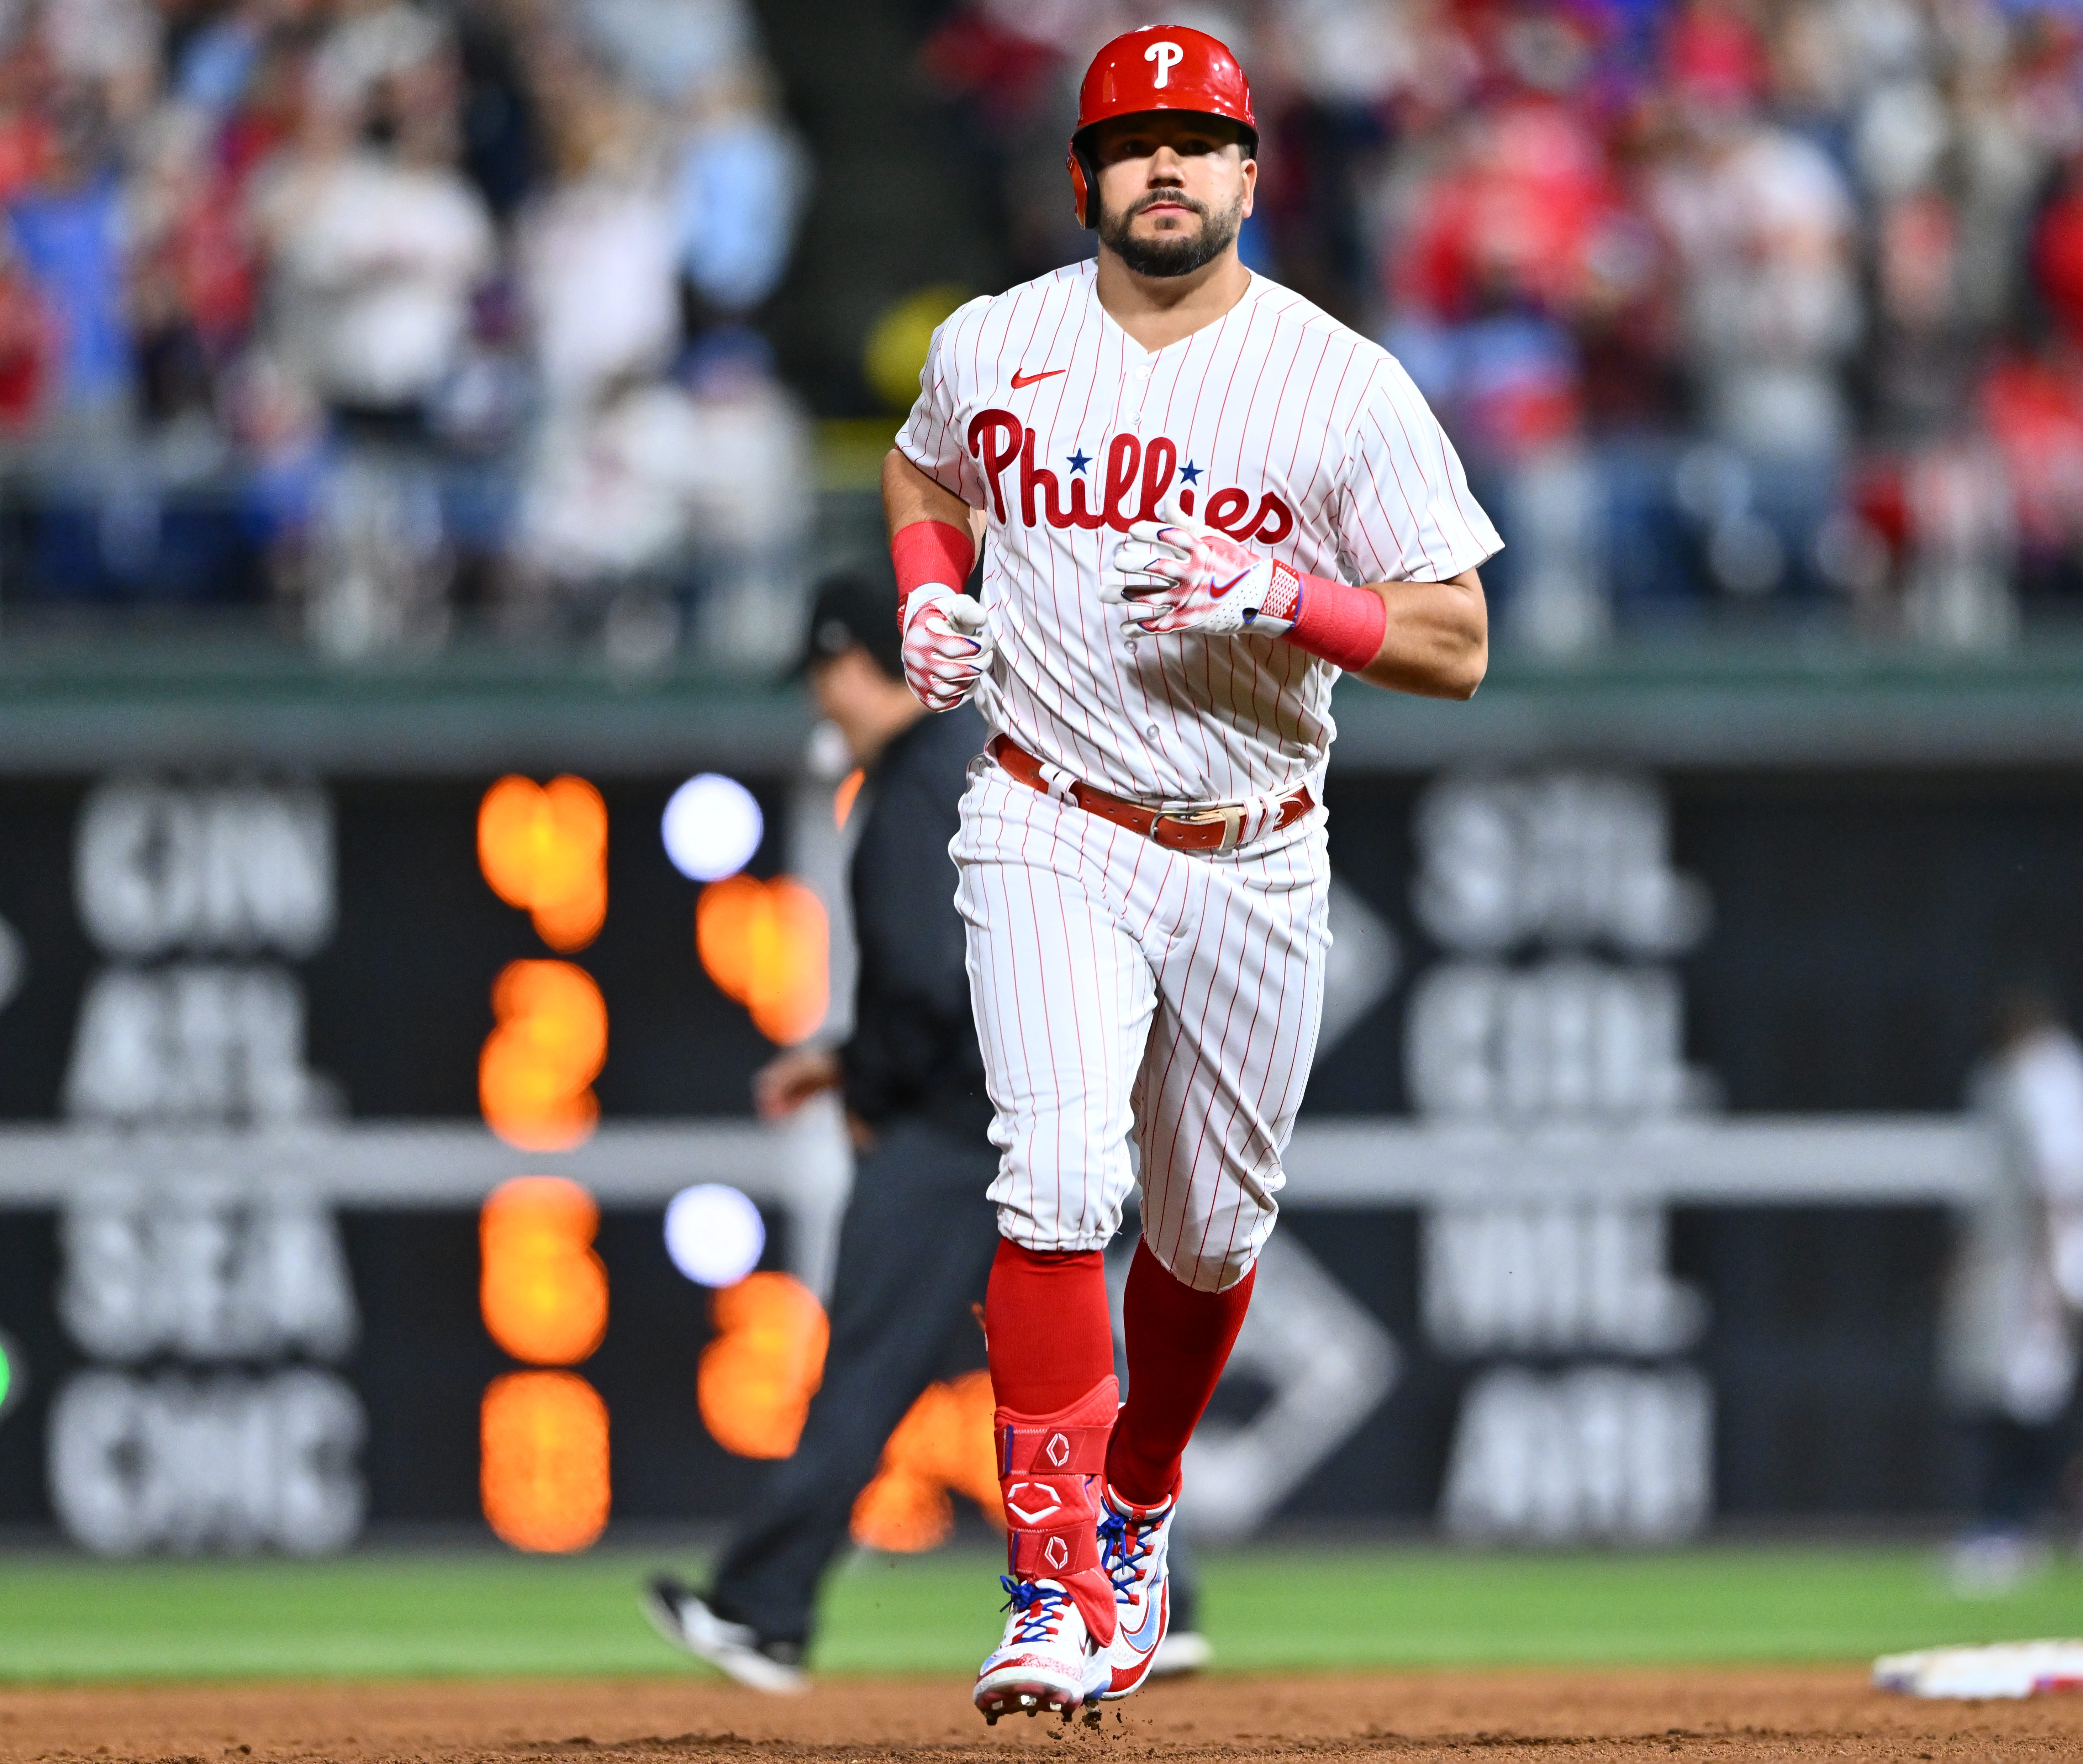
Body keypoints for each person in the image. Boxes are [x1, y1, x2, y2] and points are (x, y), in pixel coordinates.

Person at [887, 25, 1498, 1720]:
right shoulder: (992, 343)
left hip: (1251, 848)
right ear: (1083, 175)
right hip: (1046, 813)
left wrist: (1287, 597)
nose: (1164, 165)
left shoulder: (1340, 382)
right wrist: (929, 588)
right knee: (1054, 1181)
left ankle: (1139, 1501)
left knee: (1211, 1235)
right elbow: (923, 471)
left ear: (1247, 175)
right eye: (1132, 140)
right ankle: (1048, 1582)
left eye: (1197, 140)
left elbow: (1456, 642)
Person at [641, 571, 1218, 1689]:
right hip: (1042, 1114)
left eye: (824, 672)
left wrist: (868, 1082)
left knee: (863, 1377)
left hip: (953, 1130)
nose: (821, 699)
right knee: (1073, 1377)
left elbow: (934, 983)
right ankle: (1159, 1598)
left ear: (863, 659)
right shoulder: (994, 758)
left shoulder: (914, 782)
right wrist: (845, 1059)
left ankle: (762, 1609)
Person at [1939, 985, 2083, 1595]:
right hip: (2008, 1260)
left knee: (2023, 1392)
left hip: (2039, 1262)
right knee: (1992, 1394)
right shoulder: (2006, 1074)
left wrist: (2048, 1280)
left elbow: (2054, 1187)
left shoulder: (2045, 1076)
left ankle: (2014, 1524)